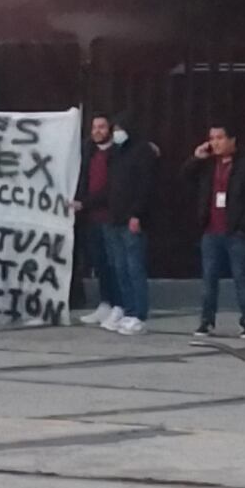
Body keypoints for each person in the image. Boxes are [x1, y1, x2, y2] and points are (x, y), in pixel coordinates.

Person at [183, 121, 245, 339]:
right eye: (212, 138)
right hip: (211, 230)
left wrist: (244, 226)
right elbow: (185, 176)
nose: (215, 143)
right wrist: (196, 158)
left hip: (235, 231)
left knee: (241, 277)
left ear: (232, 140)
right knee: (209, 278)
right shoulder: (209, 164)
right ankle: (206, 321)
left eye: (219, 138)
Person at [102, 116, 158, 336]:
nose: (116, 133)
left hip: (132, 219)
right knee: (120, 268)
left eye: (119, 129)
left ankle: (139, 314)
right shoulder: (116, 152)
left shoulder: (143, 151)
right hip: (114, 218)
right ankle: (127, 309)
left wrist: (137, 214)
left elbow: (146, 186)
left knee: (135, 268)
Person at [73, 114, 121, 328]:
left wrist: (86, 202)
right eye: (94, 127)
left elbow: (112, 188)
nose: (97, 131)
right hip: (91, 219)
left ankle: (119, 305)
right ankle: (105, 303)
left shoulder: (118, 154)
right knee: (100, 264)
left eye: (102, 127)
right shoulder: (89, 152)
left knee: (114, 264)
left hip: (110, 216)